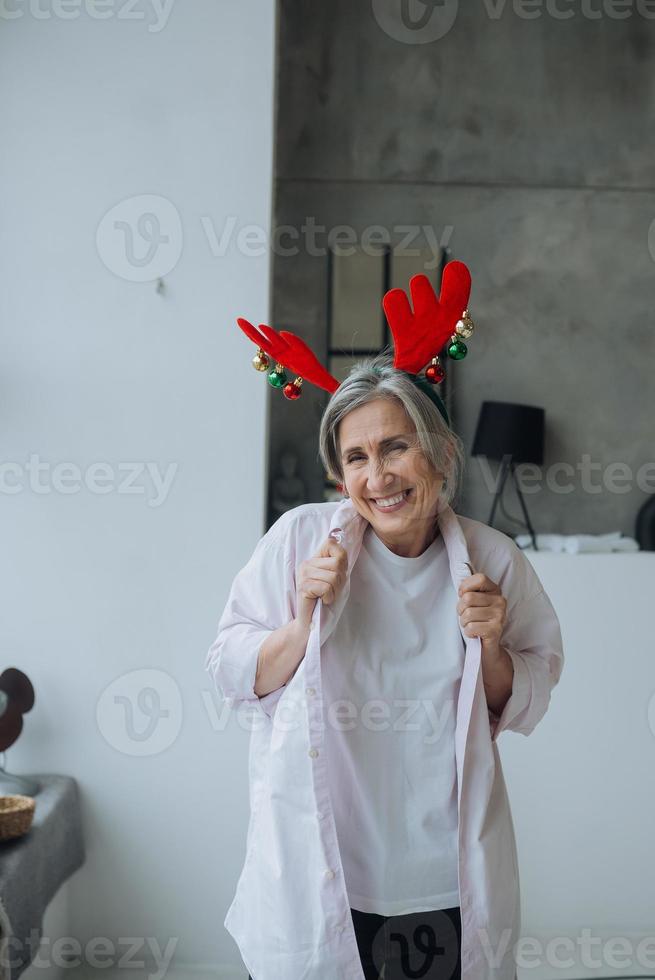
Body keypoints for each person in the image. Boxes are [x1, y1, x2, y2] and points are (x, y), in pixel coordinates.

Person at [206, 265, 565, 980]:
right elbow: (228, 671)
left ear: (439, 452)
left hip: (440, 878)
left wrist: (492, 641)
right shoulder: (299, 542)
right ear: (339, 475)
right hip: (322, 865)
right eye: (356, 457)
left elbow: (524, 697)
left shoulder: (492, 558)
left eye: (395, 447)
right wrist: (302, 619)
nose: (378, 476)